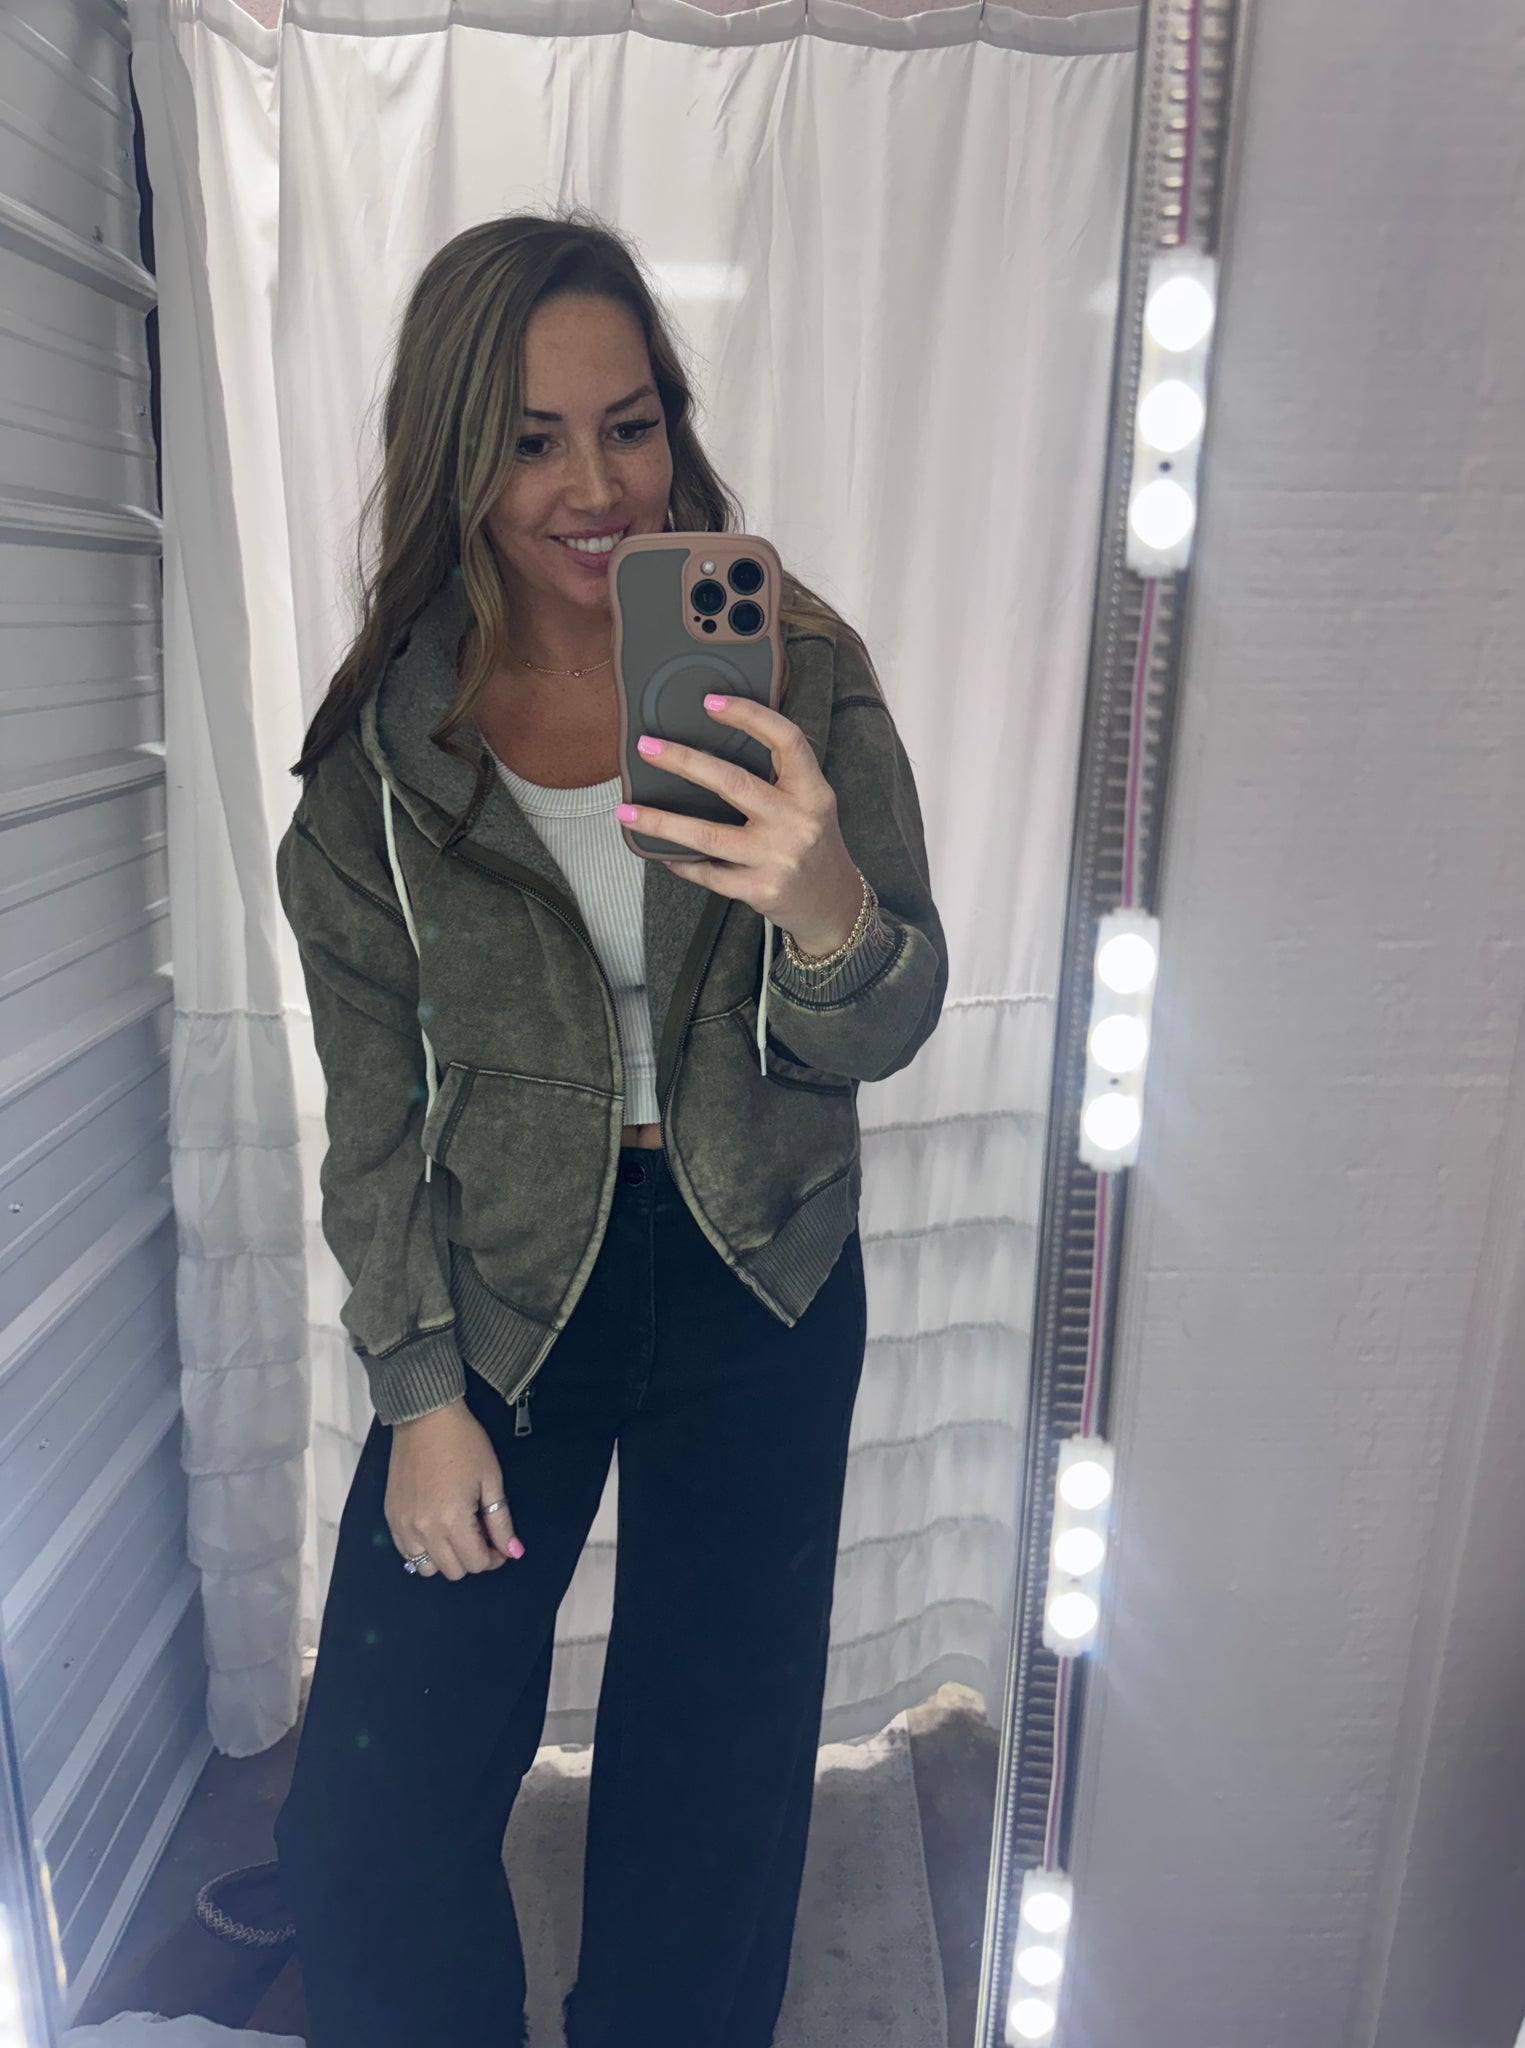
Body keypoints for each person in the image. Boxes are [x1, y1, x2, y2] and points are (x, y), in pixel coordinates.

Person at [270, 209, 947, 2048]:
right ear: (454, 457)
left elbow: (889, 1019)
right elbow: (371, 1111)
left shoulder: (798, 672)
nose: (597, 487)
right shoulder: (386, 753)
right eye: (533, 440)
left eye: (631, 424)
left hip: (762, 1271)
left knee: (713, 1796)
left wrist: (827, 906)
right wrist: (418, 1390)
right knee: (373, 1816)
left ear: (674, 423)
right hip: (510, 1290)